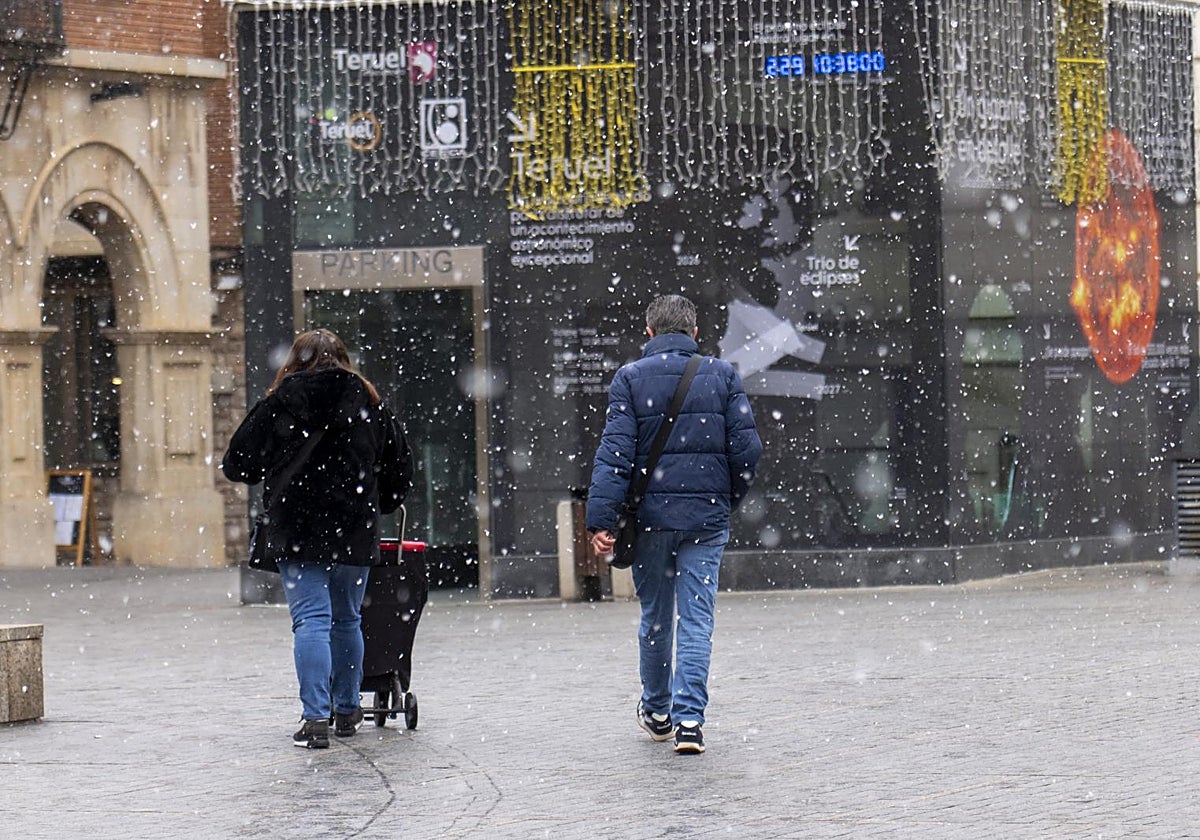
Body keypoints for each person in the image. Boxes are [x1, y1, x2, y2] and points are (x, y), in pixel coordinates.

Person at [587, 294, 762, 755]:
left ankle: (658, 710)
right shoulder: (723, 376)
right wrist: (726, 498)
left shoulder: (629, 379)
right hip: (705, 519)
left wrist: (601, 519)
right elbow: (748, 451)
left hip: (649, 522)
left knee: (655, 618)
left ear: (648, 332)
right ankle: (690, 721)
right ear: (695, 332)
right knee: (697, 620)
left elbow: (615, 454)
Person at [222, 329, 411, 749]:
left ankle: (315, 719)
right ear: (343, 359)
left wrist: (273, 470)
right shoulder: (370, 404)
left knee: (311, 620)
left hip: (297, 529)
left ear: (294, 360)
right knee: (347, 619)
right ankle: (347, 710)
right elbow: (400, 467)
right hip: (354, 527)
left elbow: (237, 464)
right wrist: (381, 500)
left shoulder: (279, 403)